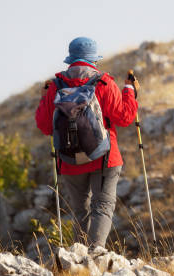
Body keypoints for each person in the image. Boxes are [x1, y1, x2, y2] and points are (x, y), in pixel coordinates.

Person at [35, 37, 139, 248]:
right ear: (94, 60)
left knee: (80, 212)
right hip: (104, 156)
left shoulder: (55, 86)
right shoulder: (104, 82)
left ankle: (79, 256)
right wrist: (129, 90)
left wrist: (43, 98)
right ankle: (95, 254)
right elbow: (125, 117)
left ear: (70, 59)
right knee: (102, 206)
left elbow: (45, 126)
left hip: (70, 159)